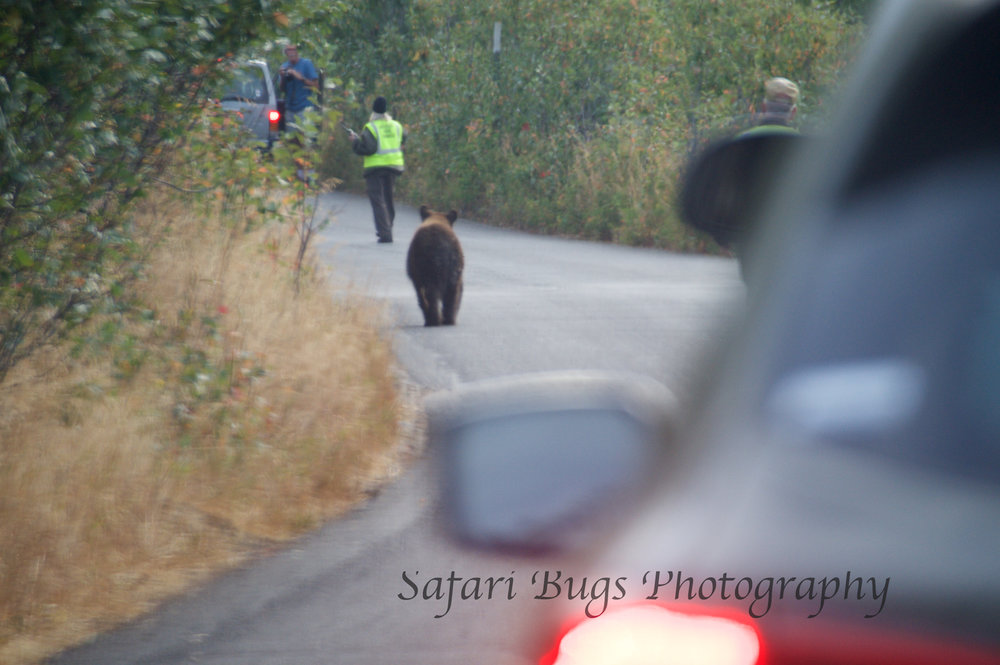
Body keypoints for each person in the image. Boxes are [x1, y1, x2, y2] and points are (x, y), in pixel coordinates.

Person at [350, 96, 406, 243]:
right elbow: (403, 137)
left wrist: (355, 142)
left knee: (378, 200)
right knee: (388, 198)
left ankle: (385, 233)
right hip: (393, 166)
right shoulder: (396, 125)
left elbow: (368, 149)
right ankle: (388, 226)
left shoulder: (370, 127)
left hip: (375, 167)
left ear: (373, 110)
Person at [279, 44, 318, 125]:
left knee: (306, 135)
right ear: (286, 53)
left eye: (293, 50)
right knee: (290, 136)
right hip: (290, 108)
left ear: (297, 51)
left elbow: (316, 86)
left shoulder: (306, 64)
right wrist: (282, 77)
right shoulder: (284, 66)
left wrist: (301, 78)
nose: (291, 53)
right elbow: (282, 89)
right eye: (289, 51)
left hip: (305, 107)